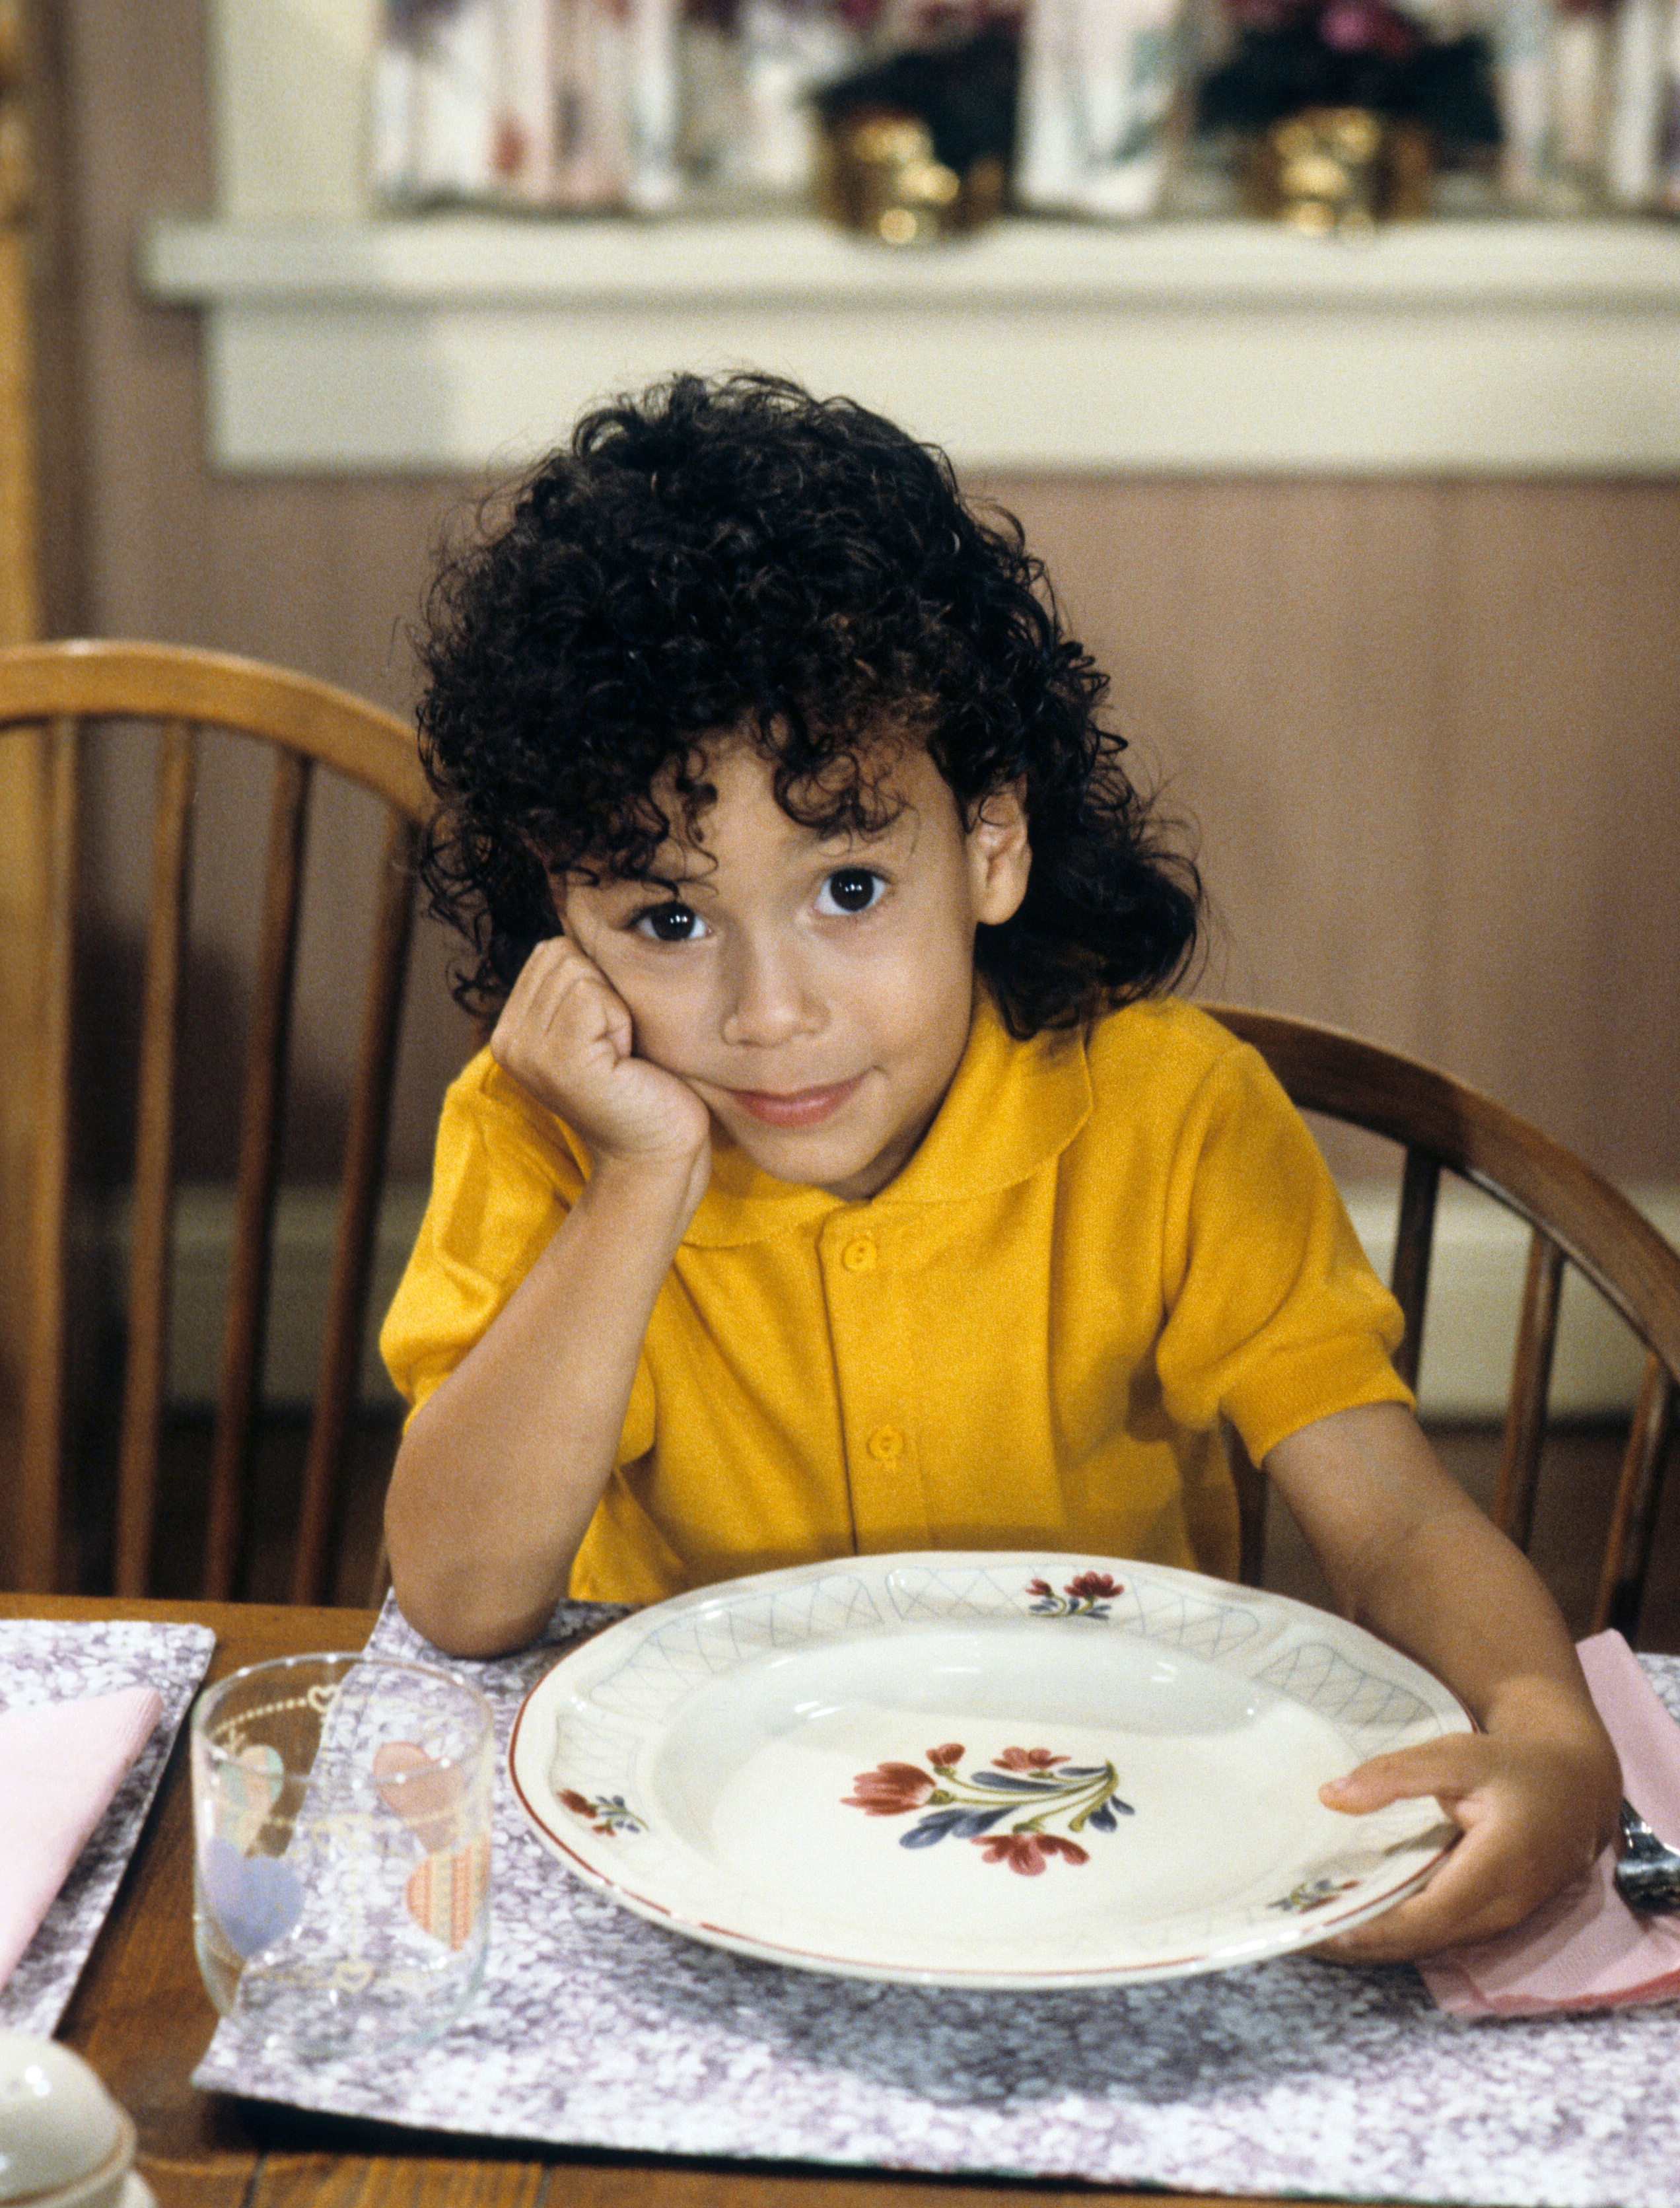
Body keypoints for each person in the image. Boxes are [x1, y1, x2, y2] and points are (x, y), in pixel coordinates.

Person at [381, 371, 1619, 1962]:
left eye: (846, 885)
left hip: (1133, 1863)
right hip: (704, 1865)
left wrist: (1549, 1732)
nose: (771, 1012)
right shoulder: (548, 1134)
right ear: (562, 912)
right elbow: (467, 1598)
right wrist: (637, 1181)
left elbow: (1391, 1524)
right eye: (667, 922)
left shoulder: (1173, 1119)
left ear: (990, 846)